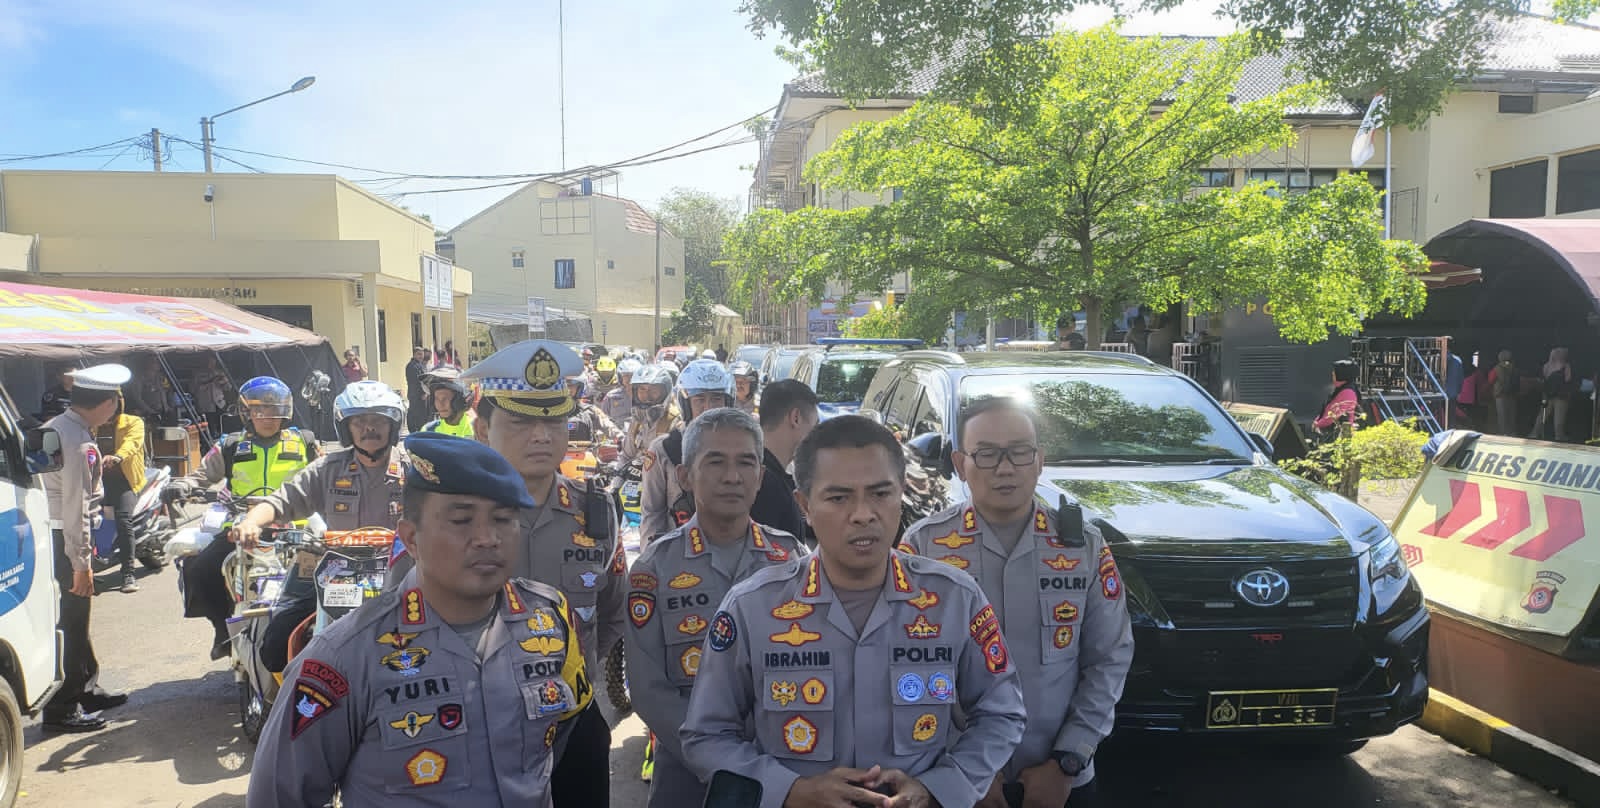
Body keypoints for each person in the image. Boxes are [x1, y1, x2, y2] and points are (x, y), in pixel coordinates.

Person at [681, 415, 1026, 808]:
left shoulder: (955, 600)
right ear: (805, 505)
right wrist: (790, 791)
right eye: (839, 497)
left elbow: (1002, 713)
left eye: (881, 493)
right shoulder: (752, 608)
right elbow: (706, 736)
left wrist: (938, 788)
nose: (863, 514)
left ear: (902, 496)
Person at [247, 432, 589, 806]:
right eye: (461, 520)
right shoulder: (344, 658)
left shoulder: (550, 620)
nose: (487, 538)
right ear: (410, 538)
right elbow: (279, 796)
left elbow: (565, 740)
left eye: (504, 519)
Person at [902, 397, 1133, 807]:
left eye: (1020, 452)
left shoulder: (1085, 549)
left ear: (1040, 460)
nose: (1006, 468)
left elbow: (1108, 659)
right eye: (987, 454)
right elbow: (907, 668)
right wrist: (963, 769)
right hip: (950, 780)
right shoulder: (922, 548)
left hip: (1062, 781)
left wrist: (1068, 761)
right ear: (960, 463)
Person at [454, 339, 626, 808]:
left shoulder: (597, 511)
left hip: (574, 721)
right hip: (475, 725)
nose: (541, 435)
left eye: (553, 419)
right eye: (521, 420)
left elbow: (613, 611)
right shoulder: (449, 518)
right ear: (482, 428)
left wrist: (579, 676)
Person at [625, 408, 808, 808]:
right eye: (715, 462)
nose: (732, 476)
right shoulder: (654, 570)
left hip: (785, 776)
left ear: (760, 477)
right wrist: (722, 761)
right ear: (685, 476)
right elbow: (648, 690)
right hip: (691, 780)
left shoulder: (792, 559)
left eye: (746, 462)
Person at [232, 380, 407, 675]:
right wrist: (250, 522)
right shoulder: (328, 469)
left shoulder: (413, 469)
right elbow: (281, 501)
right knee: (276, 646)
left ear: (392, 425)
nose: (369, 429)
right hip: (336, 574)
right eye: (360, 422)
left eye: (377, 420)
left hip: (402, 574)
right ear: (346, 429)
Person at [165, 377, 319, 659]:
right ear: (247, 413)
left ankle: (320, 633)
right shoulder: (231, 445)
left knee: (326, 576)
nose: (268, 418)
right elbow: (202, 475)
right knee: (200, 569)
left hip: (299, 529)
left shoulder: (304, 441)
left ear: (286, 411)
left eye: (275, 410)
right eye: (260, 411)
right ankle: (222, 630)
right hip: (242, 528)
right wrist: (184, 485)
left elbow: (324, 474)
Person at [41, 363, 133, 733]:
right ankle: (63, 708)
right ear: (108, 403)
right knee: (72, 622)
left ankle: (86, 688)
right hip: (67, 538)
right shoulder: (79, 443)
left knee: (78, 618)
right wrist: (81, 562)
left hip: (60, 534)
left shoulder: (58, 426)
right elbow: (76, 505)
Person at [640, 359, 736, 544]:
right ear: (686, 403)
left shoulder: (744, 447)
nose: (708, 408)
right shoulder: (664, 449)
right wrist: (653, 559)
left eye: (716, 399)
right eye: (699, 400)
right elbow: (652, 513)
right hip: (679, 555)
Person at [750, 380, 819, 543]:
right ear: (795, 418)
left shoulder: (764, 472)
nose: (816, 437)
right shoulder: (766, 484)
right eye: (815, 426)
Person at [99, 395, 147, 594]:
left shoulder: (133, 422)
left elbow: (132, 443)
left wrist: (117, 456)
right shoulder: (92, 425)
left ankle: (128, 573)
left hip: (125, 481)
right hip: (97, 482)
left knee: (122, 519)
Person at [618, 363, 676, 469]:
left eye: (653, 391)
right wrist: (617, 481)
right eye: (642, 390)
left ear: (665, 392)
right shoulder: (638, 420)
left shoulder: (674, 421)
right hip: (636, 480)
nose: (646, 396)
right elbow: (626, 456)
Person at [420, 367, 476, 438]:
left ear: (460, 400)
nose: (440, 404)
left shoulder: (477, 431)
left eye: (445, 398)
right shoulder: (428, 431)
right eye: (437, 398)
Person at [566, 376, 622, 445]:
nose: (567, 389)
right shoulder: (552, 412)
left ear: (580, 388)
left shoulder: (590, 410)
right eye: (563, 386)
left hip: (586, 452)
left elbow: (608, 426)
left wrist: (621, 439)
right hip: (556, 453)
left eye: (571, 386)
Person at [1313, 359, 1363, 436]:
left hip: (1337, 433)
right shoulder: (1340, 388)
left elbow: (1334, 415)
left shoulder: (1347, 392)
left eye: (1334, 373)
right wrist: (1317, 421)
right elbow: (1328, 408)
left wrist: (1317, 424)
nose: (1332, 375)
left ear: (1341, 375)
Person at [191, 354, 232, 441]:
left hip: (219, 403)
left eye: (213, 361)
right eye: (209, 361)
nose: (211, 364)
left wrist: (224, 382)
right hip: (206, 404)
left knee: (222, 424)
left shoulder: (220, 372)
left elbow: (228, 388)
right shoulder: (198, 374)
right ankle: (210, 443)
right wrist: (209, 381)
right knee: (209, 427)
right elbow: (193, 389)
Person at [1540, 347, 1574, 442]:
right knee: (1559, 418)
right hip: (1561, 395)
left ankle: (1535, 433)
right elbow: (1568, 379)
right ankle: (1559, 436)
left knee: (1542, 415)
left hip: (1548, 394)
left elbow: (1545, 379)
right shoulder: (1566, 366)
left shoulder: (1546, 366)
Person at [601, 358, 641, 427]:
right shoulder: (612, 396)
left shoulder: (645, 397)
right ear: (620, 377)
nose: (629, 379)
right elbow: (603, 419)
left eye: (632, 375)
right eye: (626, 375)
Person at [1489, 350, 1519, 436]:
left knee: (1502, 415)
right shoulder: (1514, 368)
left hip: (1500, 394)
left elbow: (1491, 380)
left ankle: (1503, 433)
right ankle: (1512, 432)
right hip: (1512, 394)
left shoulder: (1496, 368)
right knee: (1511, 415)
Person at [405, 345, 430, 433]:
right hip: (417, 394)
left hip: (416, 394)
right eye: (419, 354)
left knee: (418, 413)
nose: (421, 356)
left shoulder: (418, 365)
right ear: (414, 355)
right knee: (417, 414)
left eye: (422, 354)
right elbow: (418, 381)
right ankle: (416, 430)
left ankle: (418, 430)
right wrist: (423, 392)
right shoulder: (413, 366)